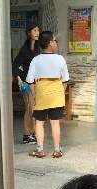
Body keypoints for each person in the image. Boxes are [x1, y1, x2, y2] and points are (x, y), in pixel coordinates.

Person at [26, 31, 69, 159]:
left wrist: (33, 96)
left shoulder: (36, 59)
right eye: (55, 41)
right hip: (56, 94)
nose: (56, 43)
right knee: (55, 123)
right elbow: (65, 80)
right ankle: (57, 150)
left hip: (41, 95)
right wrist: (60, 92)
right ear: (50, 43)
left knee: (39, 123)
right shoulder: (60, 59)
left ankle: (40, 150)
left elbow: (30, 81)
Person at [12, 23, 40, 144]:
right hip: (26, 83)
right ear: (29, 33)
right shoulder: (24, 49)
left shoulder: (38, 48)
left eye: (38, 30)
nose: (37, 32)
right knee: (29, 108)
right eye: (34, 30)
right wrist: (18, 79)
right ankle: (26, 134)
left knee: (34, 108)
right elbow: (15, 65)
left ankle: (33, 132)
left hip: (36, 82)